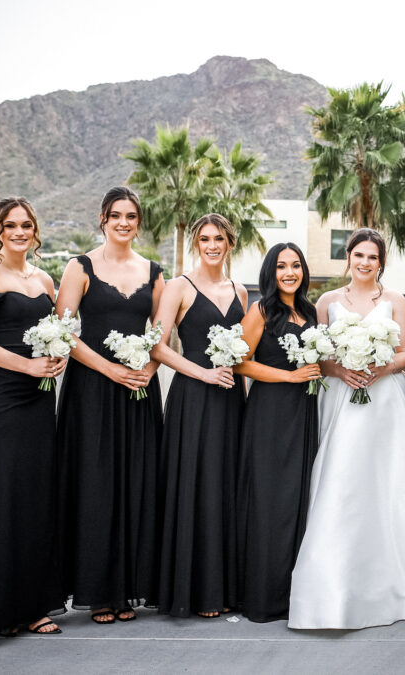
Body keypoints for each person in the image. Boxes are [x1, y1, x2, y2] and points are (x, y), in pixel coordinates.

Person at [288, 228, 405, 629]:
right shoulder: (327, 301)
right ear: (349, 257)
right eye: (359, 255)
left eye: (372, 257)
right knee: (341, 484)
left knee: (391, 483)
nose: (365, 263)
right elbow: (319, 354)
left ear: (382, 262)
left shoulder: (395, 300)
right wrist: (341, 369)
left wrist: (379, 368)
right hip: (342, 397)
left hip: (385, 401)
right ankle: (332, 593)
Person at [0, 197, 66, 637]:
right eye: (10, 225)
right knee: (4, 494)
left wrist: (55, 355)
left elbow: (61, 330)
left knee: (34, 497)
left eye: (26, 225)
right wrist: (27, 366)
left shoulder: (43, 277)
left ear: (35, 230)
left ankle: (34, 606)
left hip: (39, 396)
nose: (19, 232)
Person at [55, 186, 164, 624]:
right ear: (103, 218)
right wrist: (110, 370)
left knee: (137, 483)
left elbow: (161, 334)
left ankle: (131, 589)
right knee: (96, 485)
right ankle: (99, 592)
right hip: (92, 392)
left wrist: (147, 371)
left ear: (139, 222)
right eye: (116, 215)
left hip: (138, 390)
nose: (124, 222)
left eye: (131, 216)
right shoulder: (78, 267)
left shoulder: (154, 271)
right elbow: (64, 331)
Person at [152, 213, 248, 618]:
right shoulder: (178, 286)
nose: (212, 245)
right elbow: (157, 346)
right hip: (193, 397)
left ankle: (224, 588)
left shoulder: (241, 291)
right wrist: (203, 373)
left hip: (231, 402)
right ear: (196, 243)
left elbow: (246, 351)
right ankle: (194, 591)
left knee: (226, 486)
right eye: (205, 239)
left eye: (220, 239)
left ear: (230, 244)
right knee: (196, 486)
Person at [235, 243, 322, 622]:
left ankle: (293, 596)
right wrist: (289, 375)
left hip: (303, 412)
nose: (290, 272)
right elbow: (239, 362)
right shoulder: (260, 310)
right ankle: (261, 596)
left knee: (297, 501)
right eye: (282, 266)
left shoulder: (309, 311)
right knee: (269, 502)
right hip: (270, 413)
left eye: (296, 265)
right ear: (271, 271)